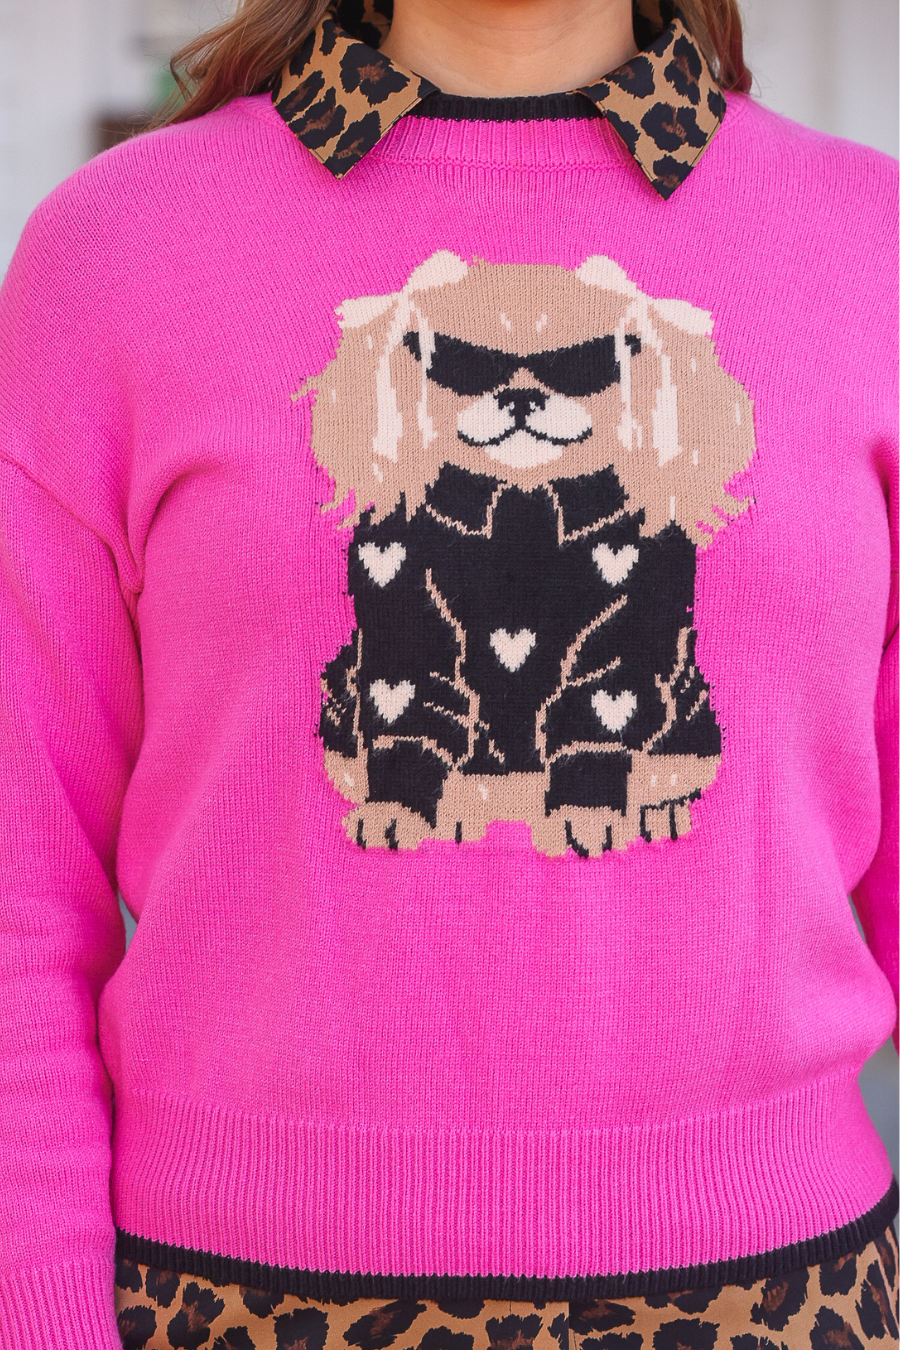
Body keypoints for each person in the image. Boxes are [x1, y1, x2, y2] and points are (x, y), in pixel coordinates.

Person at [0, 0, 897, 1344]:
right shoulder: (116, 251)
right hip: (228, 1302)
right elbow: (19, 891)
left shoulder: (871, 246)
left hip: (784, 1296)